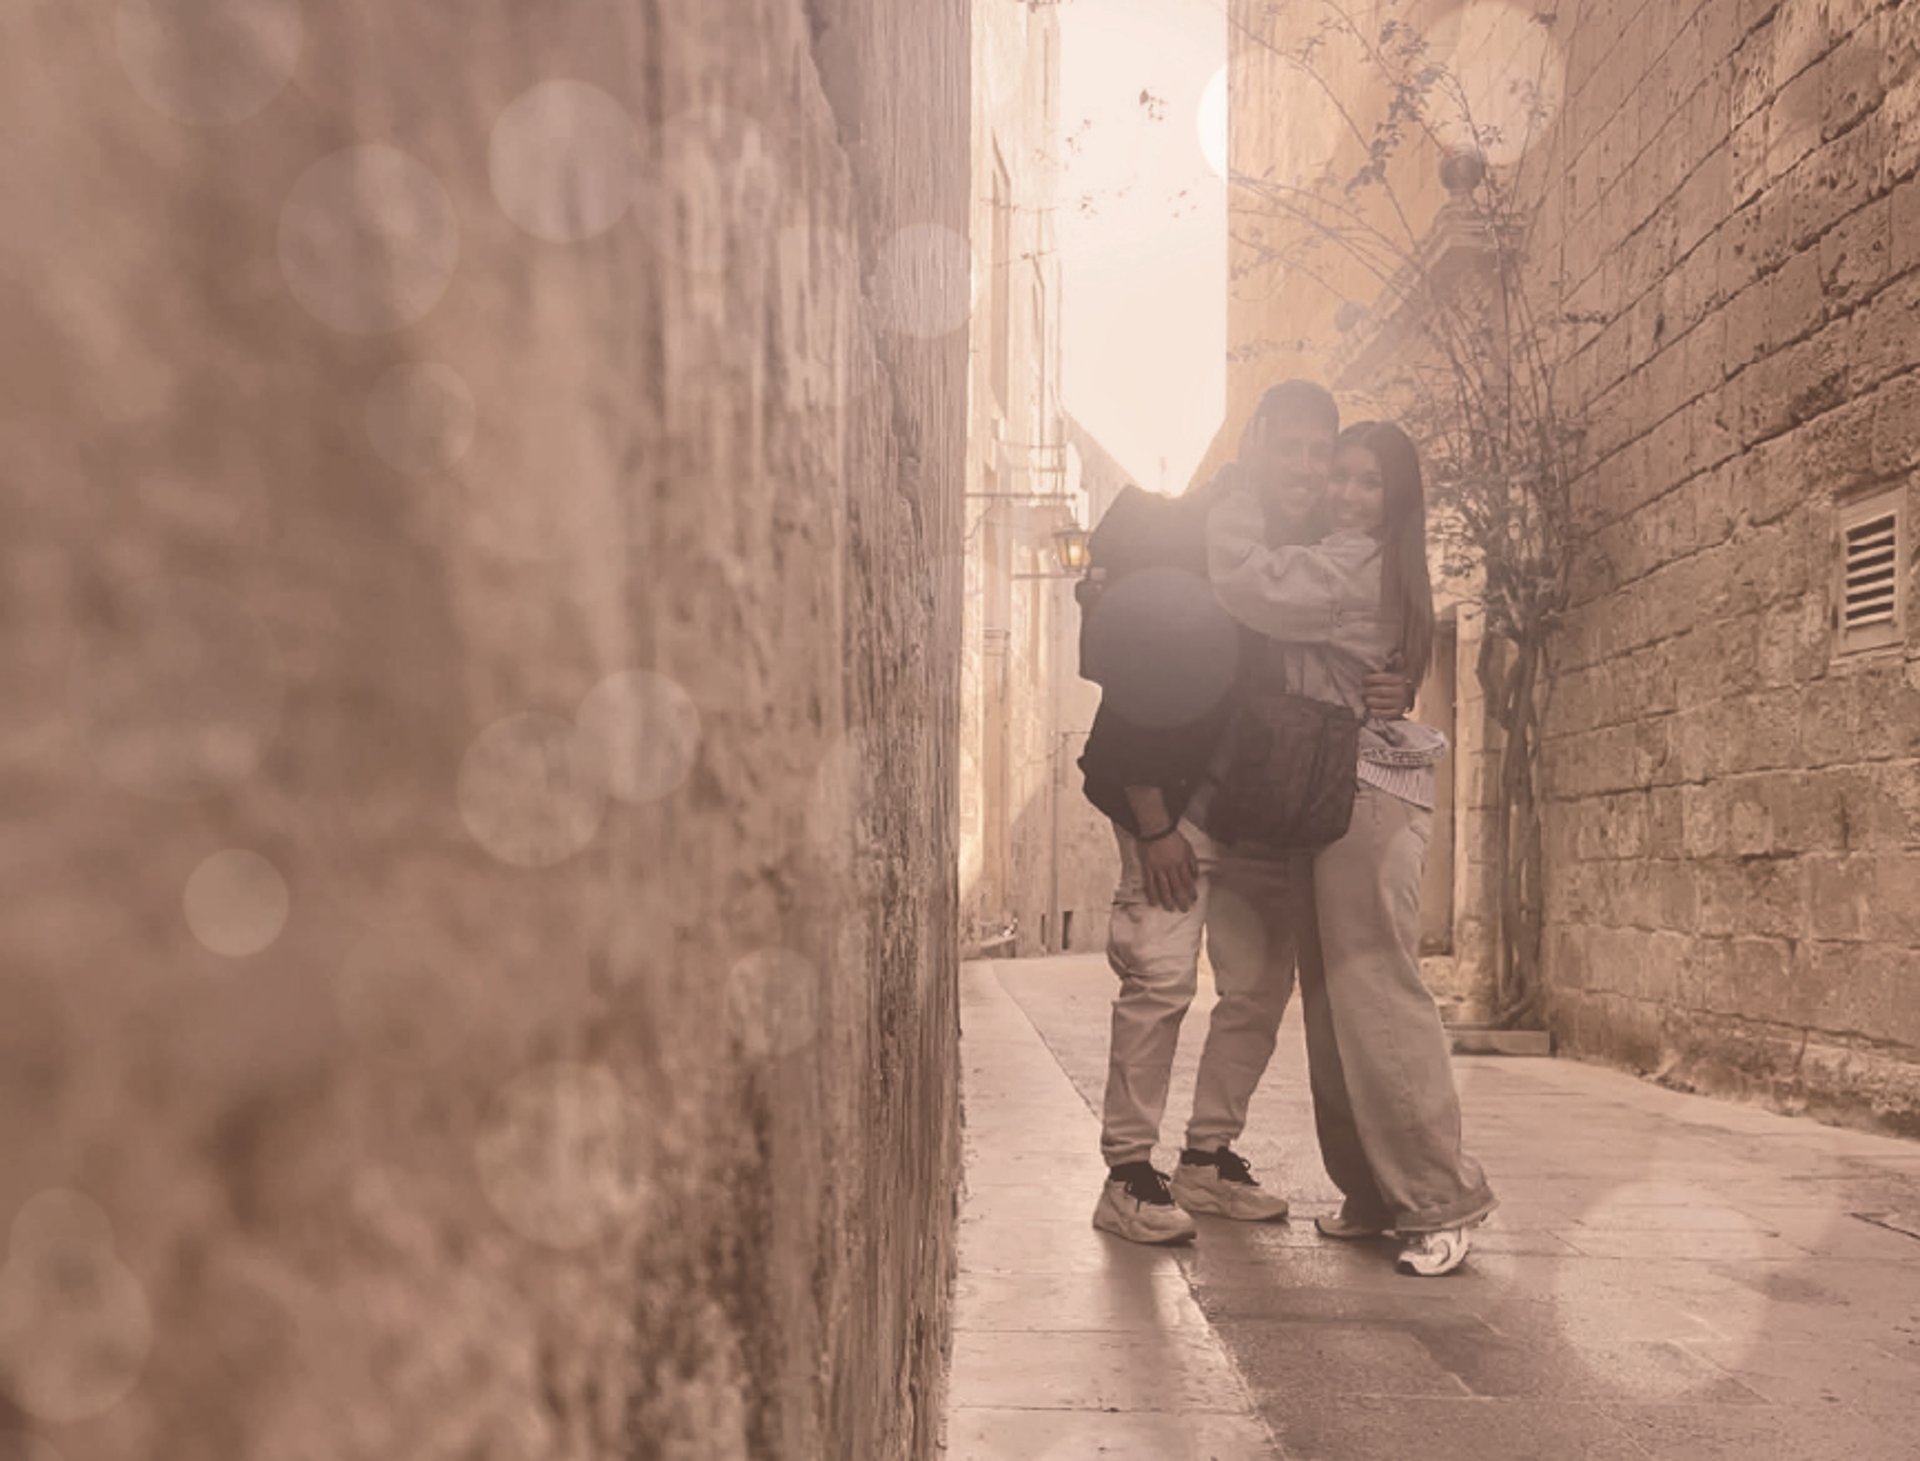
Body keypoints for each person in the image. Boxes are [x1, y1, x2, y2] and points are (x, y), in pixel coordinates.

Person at [1076, 382, 1410, 1245]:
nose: (1304, 466)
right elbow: (1132, 674)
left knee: (1258, 987)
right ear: (1255, 441)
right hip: (1173, 801)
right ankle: (1125, 1172)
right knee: (1160, 976)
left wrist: (1392, 680)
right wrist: (1152, 824)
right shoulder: (1194, 531)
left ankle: (1206, 1157)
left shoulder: (1312, 551)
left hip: (1262, 807)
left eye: (1318, 451)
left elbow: (1371, 634)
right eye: (1288, 445)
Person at [1207, 420, 1496, 1276]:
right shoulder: (1346, 554)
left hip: (1367, 794)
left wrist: (1232, 494)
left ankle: (1440, 1200)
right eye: (1340, 476)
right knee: (1335, 1002)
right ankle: (1375, 1188)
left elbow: (1245, 579)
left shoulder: (1351, 563)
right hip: (1335, 790)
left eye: (1368, 483)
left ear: (1394, 501)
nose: (1345, 493)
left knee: (1375, 993)